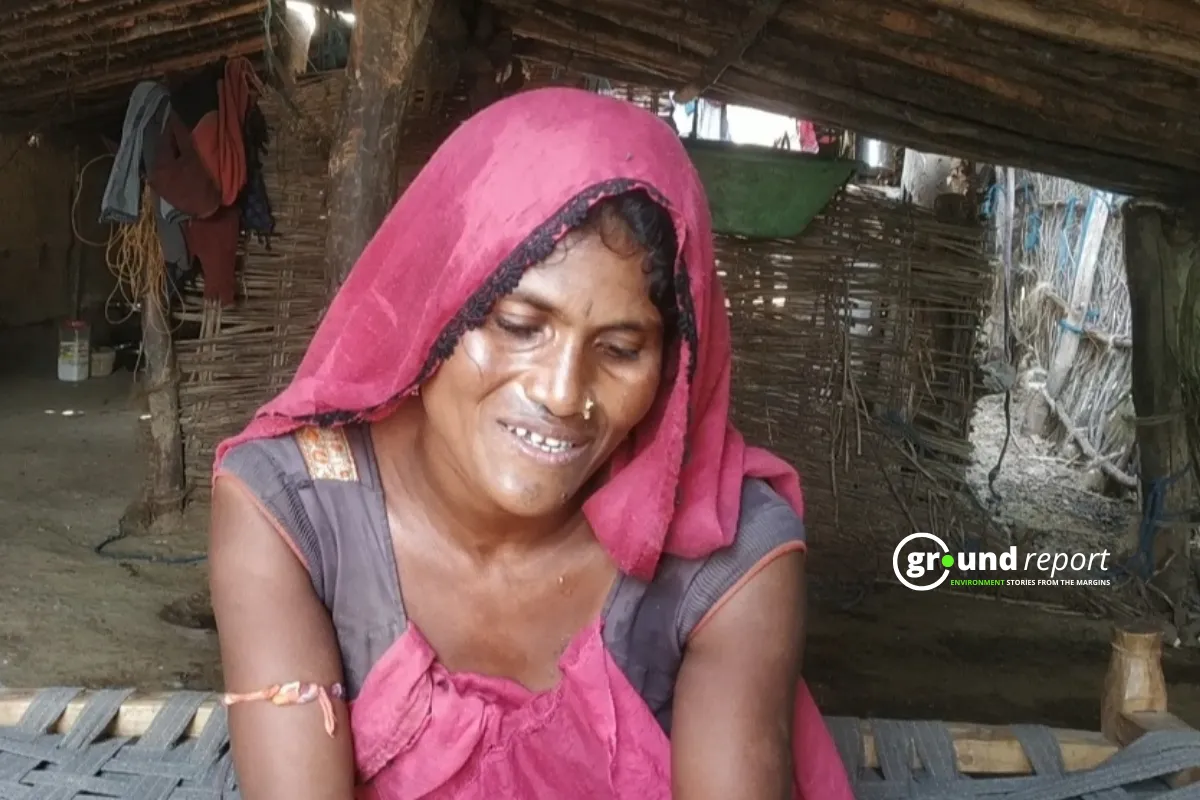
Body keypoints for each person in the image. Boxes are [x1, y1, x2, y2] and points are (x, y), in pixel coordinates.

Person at [207, 87, 854, 800]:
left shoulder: (730, 555)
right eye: (519, 326)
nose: (560, 392)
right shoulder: (293, 510)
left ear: (671, 368)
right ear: (439, 302)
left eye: (620, 348)